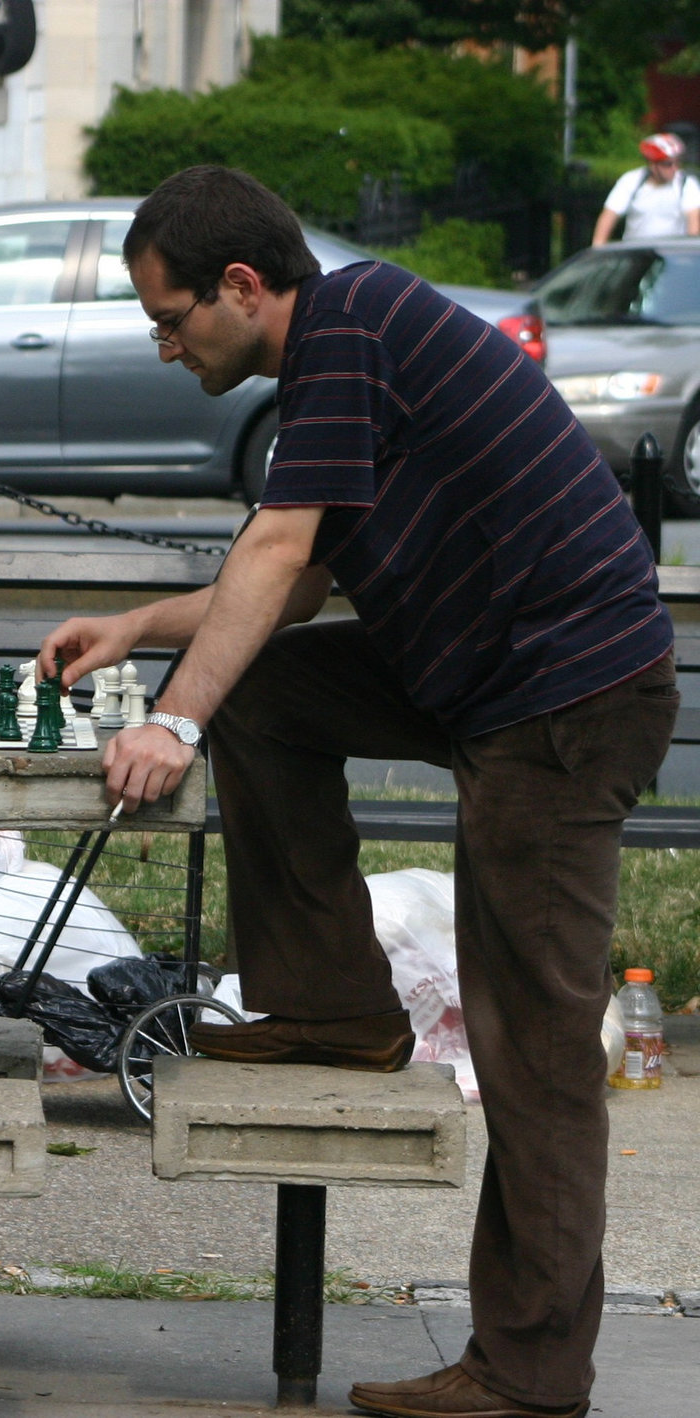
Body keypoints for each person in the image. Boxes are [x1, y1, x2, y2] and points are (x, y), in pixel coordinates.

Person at [39, 166, 674, 1418]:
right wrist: (139, 626)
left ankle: (529, 1371)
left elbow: (275, 548)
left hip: (560, 702)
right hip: (484, 676)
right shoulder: (349, 345)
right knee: (267, 693)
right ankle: (331, 1006)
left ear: (240, 285)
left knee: (532, 1049)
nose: (166, 347)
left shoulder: (354, 332)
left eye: (171, 319)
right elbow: (297, 584)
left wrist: (173, 716)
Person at [591, 131, 700, 244]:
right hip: (636, 252)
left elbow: (693, 223)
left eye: (677, 162)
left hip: (672, 255)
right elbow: (609, 216)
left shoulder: (686, 183)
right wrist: (597, 247)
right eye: (668, 164)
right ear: (652, 164)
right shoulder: (631, 181)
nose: (675, 168)